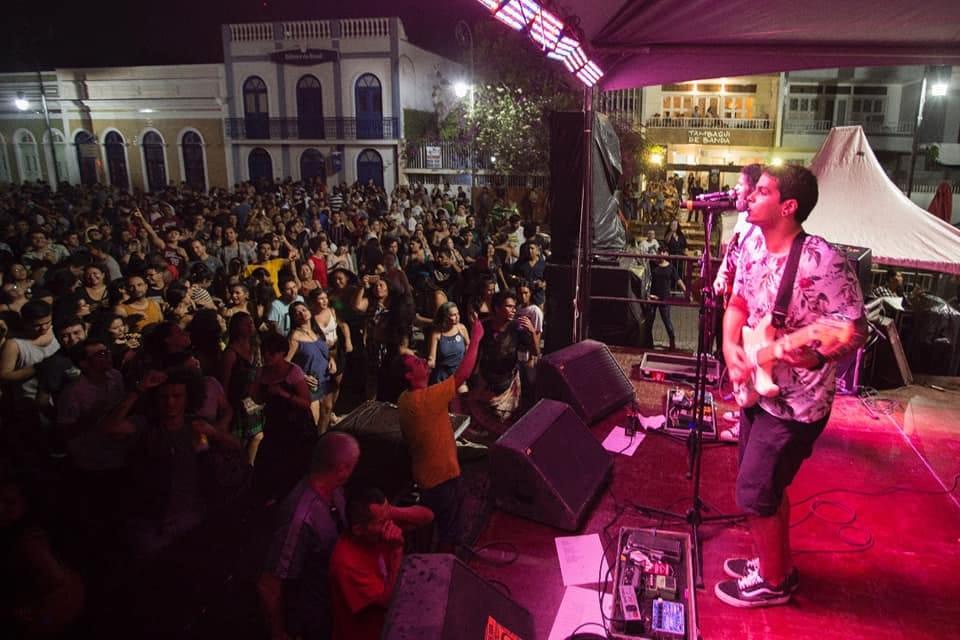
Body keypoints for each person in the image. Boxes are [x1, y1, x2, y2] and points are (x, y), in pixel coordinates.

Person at [715, 165, 867, 608]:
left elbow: (853, 330)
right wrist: (730, 348)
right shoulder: (750, 246)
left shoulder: (824, 260)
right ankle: (773, 565)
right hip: (757, 391)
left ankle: (774, 583)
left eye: (761, 191)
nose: (749, 197)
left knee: (754, 492)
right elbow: (738, 303)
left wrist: (814, 354)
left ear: (788, 206)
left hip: (798, 405)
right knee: (768, 490)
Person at [258, 432, 360, 640]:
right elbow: (268, 585)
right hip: (311, 619)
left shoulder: (335, 491)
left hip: (332, 605)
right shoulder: (300, 516)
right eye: (353, 465)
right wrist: (278, 634)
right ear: (342, 469)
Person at [398, 315, 483, 548]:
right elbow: (462, 375)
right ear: (408, 376)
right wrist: (476, 338)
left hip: (427, 478)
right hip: (442, 480)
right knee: (449, 532)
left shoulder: (404, 399)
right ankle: (446, 568)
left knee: (431, 526)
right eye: (416, 363)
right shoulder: (427, 399)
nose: (423, 361)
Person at [329, 488, 434, 640]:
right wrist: (397, 551)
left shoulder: (377, 526)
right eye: (383, 522)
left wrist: (389, 511)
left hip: (386, 626)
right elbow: (388, 602)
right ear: (358, 529)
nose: (390, 525)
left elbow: (428, 516)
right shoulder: (346, 562)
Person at [646, 247, 686, 350]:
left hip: (664, 298)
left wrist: (686, 291)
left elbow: (678, 280)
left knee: (667, 322)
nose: (661, 254)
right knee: (649, 322)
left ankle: (672, 345)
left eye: (663, 252)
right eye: (659, 252)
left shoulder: (671, 267)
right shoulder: (653, 265)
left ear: (667, 253)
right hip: (653, 297)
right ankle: (648, 344)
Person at [426, 302, 469, 387]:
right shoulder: (437, 334)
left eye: (458, 314)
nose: (457, 317)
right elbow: (432, 358)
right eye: (453, 315)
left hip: (458, 374)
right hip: (442, 377)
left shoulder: (462, 328)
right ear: (445, 317)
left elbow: (469, 347)